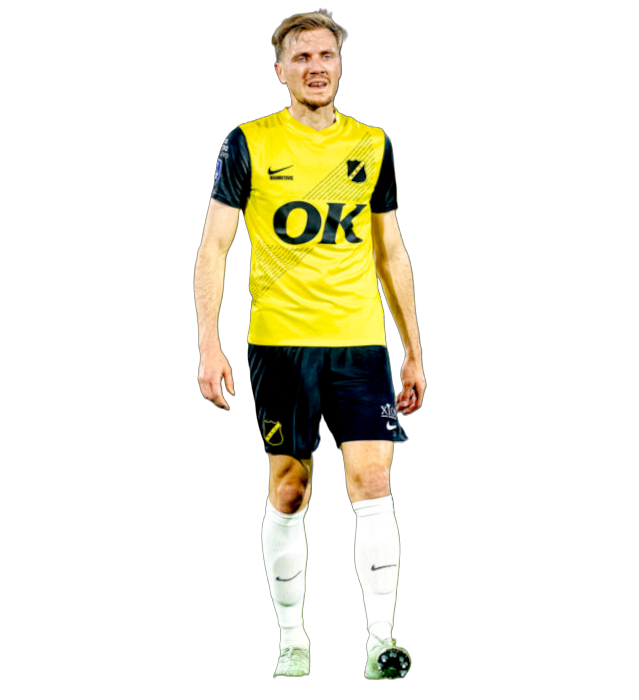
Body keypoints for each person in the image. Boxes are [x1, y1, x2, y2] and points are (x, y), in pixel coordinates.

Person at [194, 10, 425, 680]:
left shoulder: (372, 144)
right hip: (281, 344)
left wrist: (413, 348)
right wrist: (208, 344)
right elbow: (213, 247)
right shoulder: (249, 142)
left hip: (360, 342)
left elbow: (390, 250)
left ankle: (380, 641)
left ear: (340, 65)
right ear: (280, 70)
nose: (316, 67)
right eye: (301, 57)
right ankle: (292, 640)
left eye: (326, 56)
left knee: (373, 482)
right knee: (291, 489)